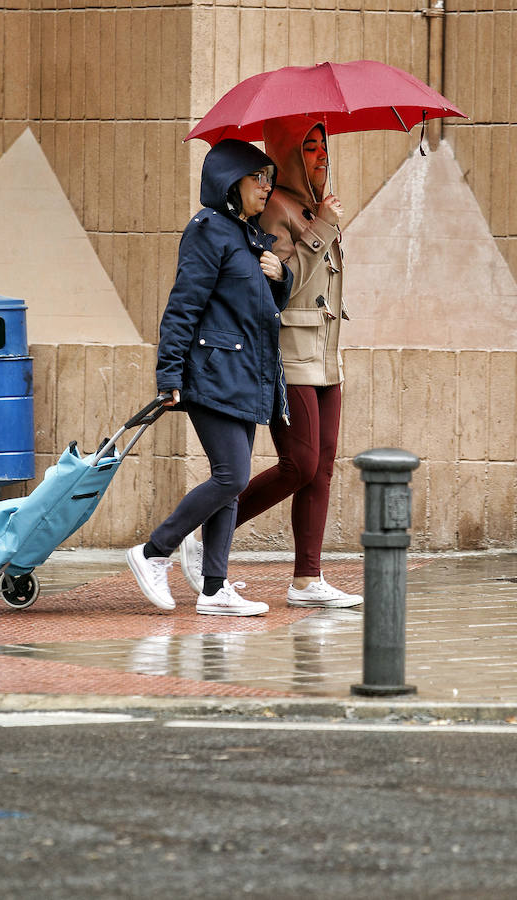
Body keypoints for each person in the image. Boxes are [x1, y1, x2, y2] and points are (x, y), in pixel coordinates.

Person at [180, 120, 362, 610]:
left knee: (321, 469)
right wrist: (322, 226)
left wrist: (323, 219)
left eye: (324, 146)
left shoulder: (315, 206)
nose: (321, 155)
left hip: (326, 354)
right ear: (287, 152)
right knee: (297, 465)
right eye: (309, 147)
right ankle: (203, 536)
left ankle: (307, 579)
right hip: (289, 352)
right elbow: (278, 289)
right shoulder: (275, 207)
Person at [126, 139, 292, 616]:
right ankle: (153, 552)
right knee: (231, 475)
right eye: (257, 178)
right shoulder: (208, 230)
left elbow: (260, 313)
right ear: (229, 183)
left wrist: (279, 278)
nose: (267, 186)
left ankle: (214, 589)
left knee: (232, 484)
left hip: (245, 375)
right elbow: (184, 306)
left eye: (269, 178)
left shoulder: (249, 237)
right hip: (212, 373)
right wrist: (169, 373)